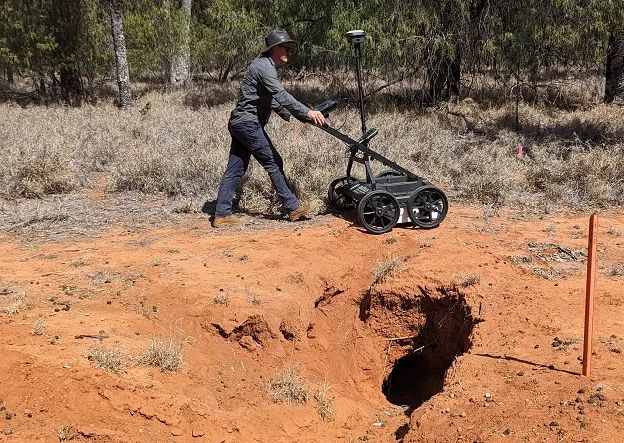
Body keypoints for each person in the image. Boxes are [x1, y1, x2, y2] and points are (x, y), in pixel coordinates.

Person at [213, 29, 326, 228]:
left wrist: (296, 116)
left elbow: (272, 100)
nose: (289, 52)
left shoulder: (263, 66)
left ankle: (221, 214)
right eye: (286, 48)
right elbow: (280, 94)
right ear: (275, 48)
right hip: (248, 124)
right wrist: (308, 113)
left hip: (240, 123)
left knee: (235, 168)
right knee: (273, 161)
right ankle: (292, 207)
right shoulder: (264, 67)